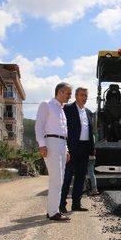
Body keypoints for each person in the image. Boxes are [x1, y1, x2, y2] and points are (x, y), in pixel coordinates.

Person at [36, 82, 72, 221]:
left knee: (59, 179)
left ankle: (52, 210)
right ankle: (53, 212)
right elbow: (39, 125)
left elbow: (63, 131)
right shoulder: (47, 104)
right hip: (51, 143)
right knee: (57, 179)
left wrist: (66, 149)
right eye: (68, 93)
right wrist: (42, 145)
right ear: (60, 92)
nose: (69, 96)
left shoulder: (61, 109)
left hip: (62, 144)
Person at [60, 87, 95, 213]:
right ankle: (61, 205)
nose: (84, 97)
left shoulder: (89, 113)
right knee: (67, 177)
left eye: (86, 95)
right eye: (81, 95)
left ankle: (76, 204)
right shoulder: (67, 109)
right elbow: (62, 128)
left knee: (80, 178)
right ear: (76, 96)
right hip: (71, 148)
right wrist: (64, 147)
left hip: (84, 149)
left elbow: (91, 133)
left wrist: (92, 151)